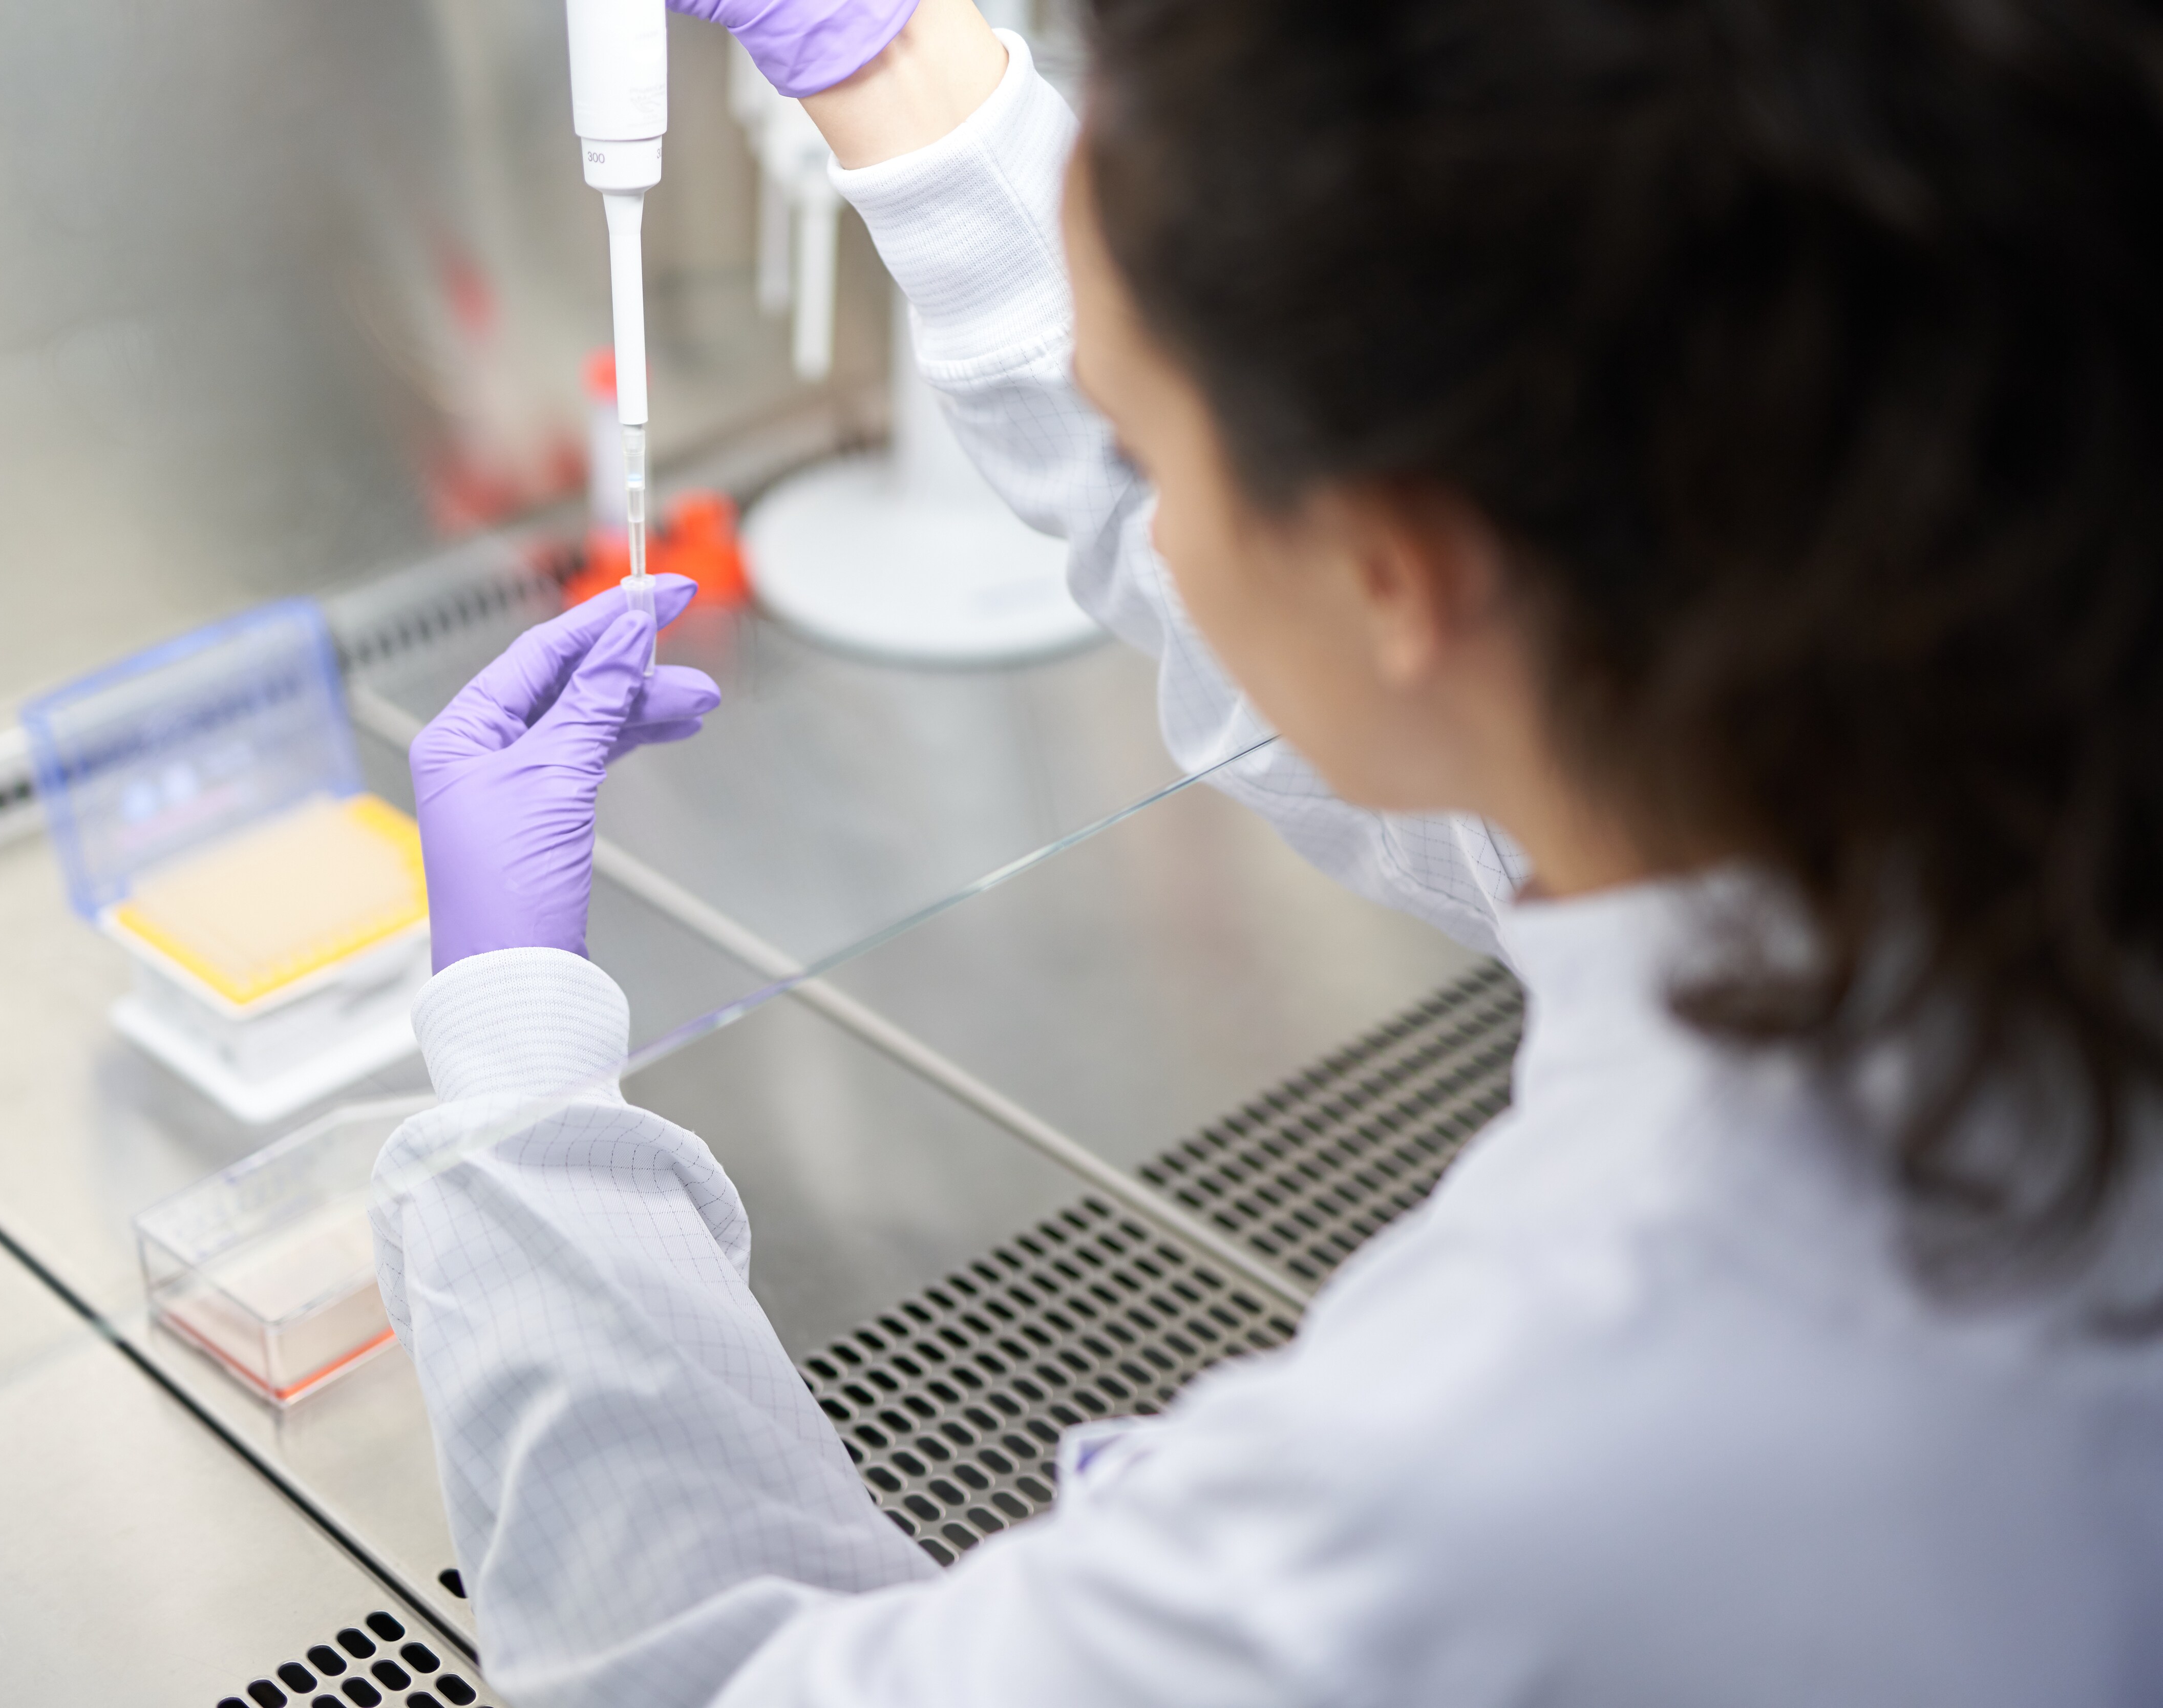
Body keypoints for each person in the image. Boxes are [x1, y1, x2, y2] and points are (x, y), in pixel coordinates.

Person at [373, 0, 2163, 1701]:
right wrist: (901, 66)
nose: (1126, 490)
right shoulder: (1963, 750)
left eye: (1147, 445)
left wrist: (522, 1078)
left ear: (1401, 569)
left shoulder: (1504, 1455)